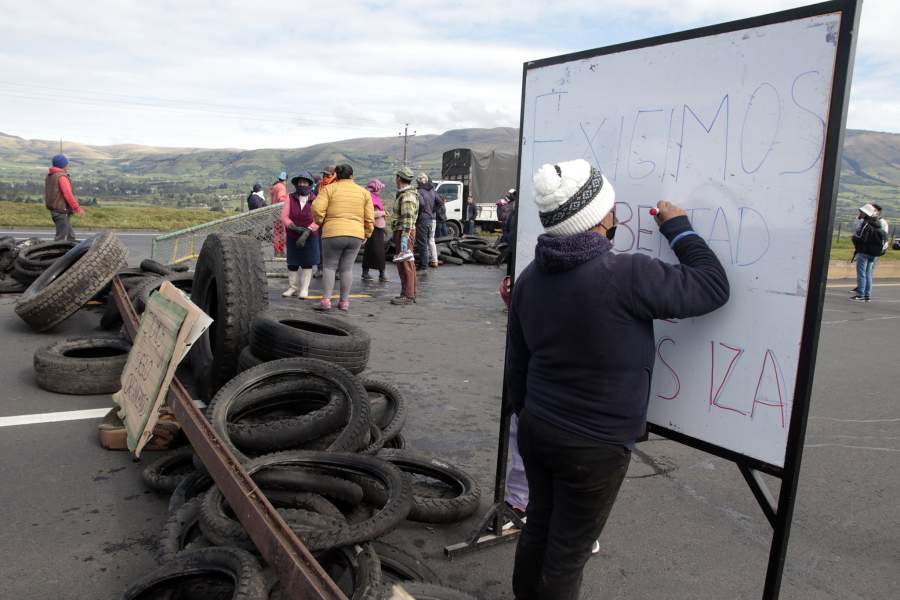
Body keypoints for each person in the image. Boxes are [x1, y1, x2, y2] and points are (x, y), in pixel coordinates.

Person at [507, 159, 729, 599]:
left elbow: (517, 363)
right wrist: (679, 228)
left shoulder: (531, 278)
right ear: (601, 218)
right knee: (567, 552)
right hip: (595, 445)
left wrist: (527, 413)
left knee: (539, 529)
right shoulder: (627, 274)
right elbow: (712, 287)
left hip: (539, 429)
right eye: (612, 207)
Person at [312, 164, 374, 311]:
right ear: (352, 175)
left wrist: (321, 221)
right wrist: (367, 232)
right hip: (355, 234)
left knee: (329, 267)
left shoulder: (329, 189)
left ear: (336, 176)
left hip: (333, 232)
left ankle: (326, 301)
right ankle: (344, 302)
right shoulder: (363, 192)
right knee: (347, 269)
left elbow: (316, 208)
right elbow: (369, 217)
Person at [280, 172, 320, 298]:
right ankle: (292, 287)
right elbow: (284, 216)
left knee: (307, 263)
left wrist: (308, 231)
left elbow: (318, 219)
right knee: (293, 263)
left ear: (310, 184)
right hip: (293, 235)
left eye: (305, 182)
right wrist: (294, 227)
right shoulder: (290, 197)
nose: (302, 184)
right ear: (296, 184)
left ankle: (304, 289)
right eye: (300, 182)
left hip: (310, 236)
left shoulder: (316, 199)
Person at [390, 167, 419, 306]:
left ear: (399, 178)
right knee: (406, 263)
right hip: (403, 231)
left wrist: (404, 237)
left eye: (396, 177)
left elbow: (408, 217)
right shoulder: (406, 194)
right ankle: (408, 293)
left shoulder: (407, 196)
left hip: (404, 232)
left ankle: (408, 295)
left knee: (406, 264)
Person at [850, 203, 889, 302]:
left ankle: (860, 295)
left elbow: (860, 237)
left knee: (861, 273)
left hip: (864, 252)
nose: (860, 213)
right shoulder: (878, 223)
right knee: (868, 274)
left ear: (866, 213)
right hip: (874, 253)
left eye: (862, 212)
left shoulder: (866, 223)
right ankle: (867, 295)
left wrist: (854, 238)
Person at [45, 154, 84, 241]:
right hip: (61, 211)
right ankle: (57, 254)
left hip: (55, 210)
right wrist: (77, 208)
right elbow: (68, 194)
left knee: (71, 236)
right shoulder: (61, 177)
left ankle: (71, 254)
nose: (68, 166)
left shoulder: (50, 175)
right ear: (63, 165)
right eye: (67, 164)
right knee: (61, 238)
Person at [312, 166, 338, 279]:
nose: (325, 177)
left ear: (333, 175)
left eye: (327, 175)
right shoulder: (319, 186)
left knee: (335, 246)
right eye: (324, 175)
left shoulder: (338, 185)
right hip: (321, 220)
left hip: (334, 220)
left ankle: (336, 271)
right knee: (320, 245)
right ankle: (320, 268)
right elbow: (314, 200)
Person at [362, 179, 389, 283]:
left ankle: (370, 272)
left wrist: (382, 212)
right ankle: (380, 273)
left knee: (374, 251)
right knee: (376, 251)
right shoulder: (369, 197)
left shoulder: (374, 197)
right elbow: (369, 214)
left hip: (378, 228)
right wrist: (382, 213)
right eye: (380, 188)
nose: (381, 190)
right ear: (375, 188)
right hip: (373, 227)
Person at [415, 173, 438, 273]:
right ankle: (426, 263)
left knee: (422, 244)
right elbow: (440, 202)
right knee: (429, 241)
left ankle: (423, 266)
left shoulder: (419, 191)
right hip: (430, 220)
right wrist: (432, 211)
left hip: (422, 220)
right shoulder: (432, 191)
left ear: (419, 181)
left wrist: (419, 214)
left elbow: (421, 203)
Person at [270, 172, 289, 256]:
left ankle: (276, 251)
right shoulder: (282, 187)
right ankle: (281, 250)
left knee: (276, 233)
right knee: (282, 233)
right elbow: (281, 199)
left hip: (274, 213)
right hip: (280, 213)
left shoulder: (274, 187)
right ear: (285, 180)